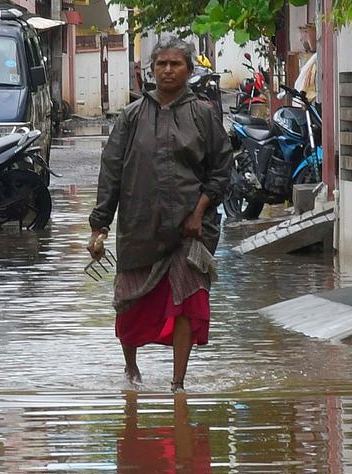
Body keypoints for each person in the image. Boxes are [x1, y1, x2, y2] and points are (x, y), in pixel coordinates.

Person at [87, 37, 232, 393]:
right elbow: (112, 170)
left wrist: (200, 211)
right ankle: (132, 371)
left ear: (188, 70)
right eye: (161, 64)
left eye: (175, 64)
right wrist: (99, 227)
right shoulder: (132, 115)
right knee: (128, 302)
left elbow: (222, 169)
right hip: (140, 226)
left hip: (190, 229)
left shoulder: (202, 114)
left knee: (185, 301)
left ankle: (177, 383)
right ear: (151, 70)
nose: (167, 70)